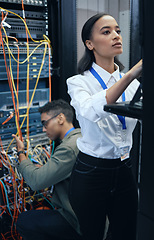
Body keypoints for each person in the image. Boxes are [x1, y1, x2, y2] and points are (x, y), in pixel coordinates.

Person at [67, 13, 142, 240]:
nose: (116, 36)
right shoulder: (78, 82)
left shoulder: (135, 85)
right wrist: (131, 73)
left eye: (117, 31)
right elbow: (90, 110)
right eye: (106, 32)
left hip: (124, 170)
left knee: (126, 233)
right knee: (92, 234)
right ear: (89, 44)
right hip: (91, 173)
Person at [12, 99, 83, 240]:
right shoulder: (80, 137)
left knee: (25, 221)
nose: (44, 129)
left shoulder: (69, 147)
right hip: (86, 215)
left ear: (60, 118)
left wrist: (21, 154)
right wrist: (44, 169)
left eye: (45, 123)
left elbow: (36, 182)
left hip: (76, 221)